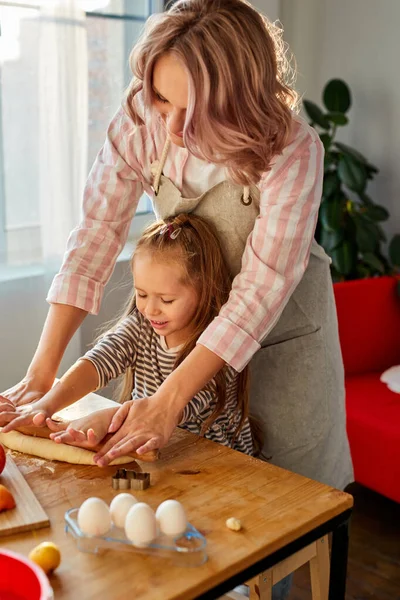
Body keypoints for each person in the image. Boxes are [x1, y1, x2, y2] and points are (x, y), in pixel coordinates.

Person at [0, 0, 352, 501]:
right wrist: (42, 373)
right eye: (165, 101)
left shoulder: (291, 151)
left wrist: (168, 401)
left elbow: (259, 290)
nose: (171, 129)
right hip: (192, 340)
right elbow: (96, 235)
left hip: (280, 343)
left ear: (241, 102)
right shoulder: (140, 120)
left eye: (197, 111)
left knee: (285, 513)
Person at [1, 214, 254, 457]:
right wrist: (45, 405)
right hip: (153, 453)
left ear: (205, 292)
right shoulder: (141, 326)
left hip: (217, 462)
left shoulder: (218, 348)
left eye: (166, 299)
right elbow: (99, 361)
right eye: (142, 294)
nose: (150, 309)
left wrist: (108, 418)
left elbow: (174, 410)